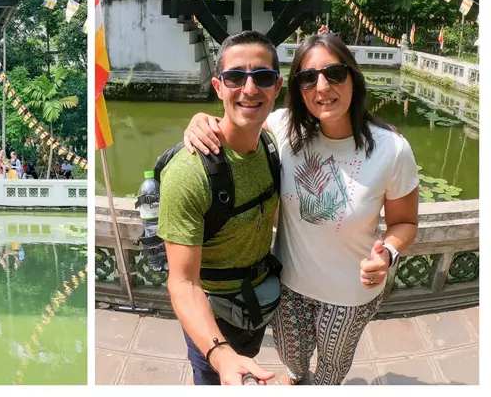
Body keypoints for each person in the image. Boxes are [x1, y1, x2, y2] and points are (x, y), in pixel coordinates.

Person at [182, 33, 420, 385]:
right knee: (292, 364)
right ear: (297, 88)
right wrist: (200, 120)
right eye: (308, 78)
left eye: (334, 73)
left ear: (353, 76)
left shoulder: (391, 150)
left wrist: (387, 252)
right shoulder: (282, 127)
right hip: (289, 287)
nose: (322, 86)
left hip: (349, 294)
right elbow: (236, 122)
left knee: (330, 373)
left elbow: (405, 223)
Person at [158, 30, 283, 386]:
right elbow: (182, 282)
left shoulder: (272, 142)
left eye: (262, 77)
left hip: (258, 300)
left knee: (250, 361)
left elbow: (329, 108)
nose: (249, 89)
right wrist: (220, 352)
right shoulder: (189, 173)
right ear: (218, 86)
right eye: (234, 77)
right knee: (212, 378)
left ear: (277, 87)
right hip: (210, 315)